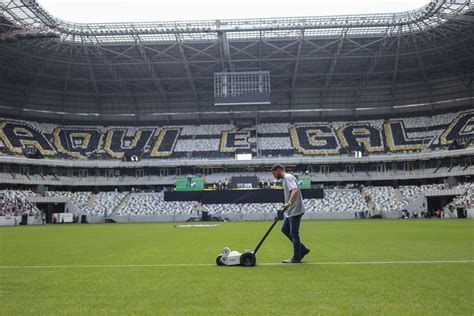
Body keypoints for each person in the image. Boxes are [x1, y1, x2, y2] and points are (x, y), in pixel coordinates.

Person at [272, 164, 310, 264]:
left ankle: (297, 257)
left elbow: (295, 190)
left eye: (274, 173)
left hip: (295, 209)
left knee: (294, 233)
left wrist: (289, 203)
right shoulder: (285, 179)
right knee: (284, 229)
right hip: (290, 211)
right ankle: (303, 249)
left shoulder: (288, 177)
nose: (274, 175)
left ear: (279, 170)